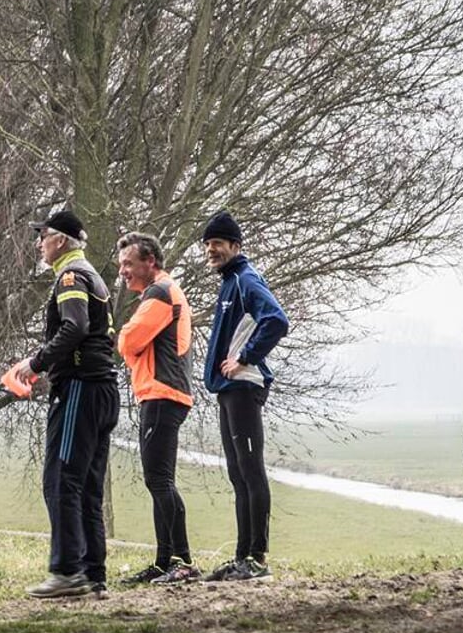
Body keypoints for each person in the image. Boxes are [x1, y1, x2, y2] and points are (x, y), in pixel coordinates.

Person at [14, 209, 119, 600]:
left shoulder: (71, 275)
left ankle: (66, 572)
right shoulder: (95, 276)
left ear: (60, 240)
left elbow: (75, 327)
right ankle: (94, 574)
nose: (39, 242)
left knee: (61, 479)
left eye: (42, 235)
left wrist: (35, 363)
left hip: (79, 389)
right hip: (104, 390)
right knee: (89, 486)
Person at [200, 210, 290, 581]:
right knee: (237, 474)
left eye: (217, 244)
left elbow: (277, 320)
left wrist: (245, 357)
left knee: (251, 472)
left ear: (235, 245)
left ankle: (258, 559)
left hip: (244, 385)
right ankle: (241, 557)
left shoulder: (246, 280)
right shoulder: (227, 283)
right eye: (207, 246)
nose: (211, 251)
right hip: (227, 390)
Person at [114, 232, 198, 585]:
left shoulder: (160, 292)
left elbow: (129, 340)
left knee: (159, 480)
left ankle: (182, 562)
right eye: (121, 265)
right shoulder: (161, 291)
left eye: (129, 264)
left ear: (150, 261)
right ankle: (164, 562)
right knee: (158, 480)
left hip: (163, 393)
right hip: (162, 393)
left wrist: (128, 345)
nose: (123, 272)